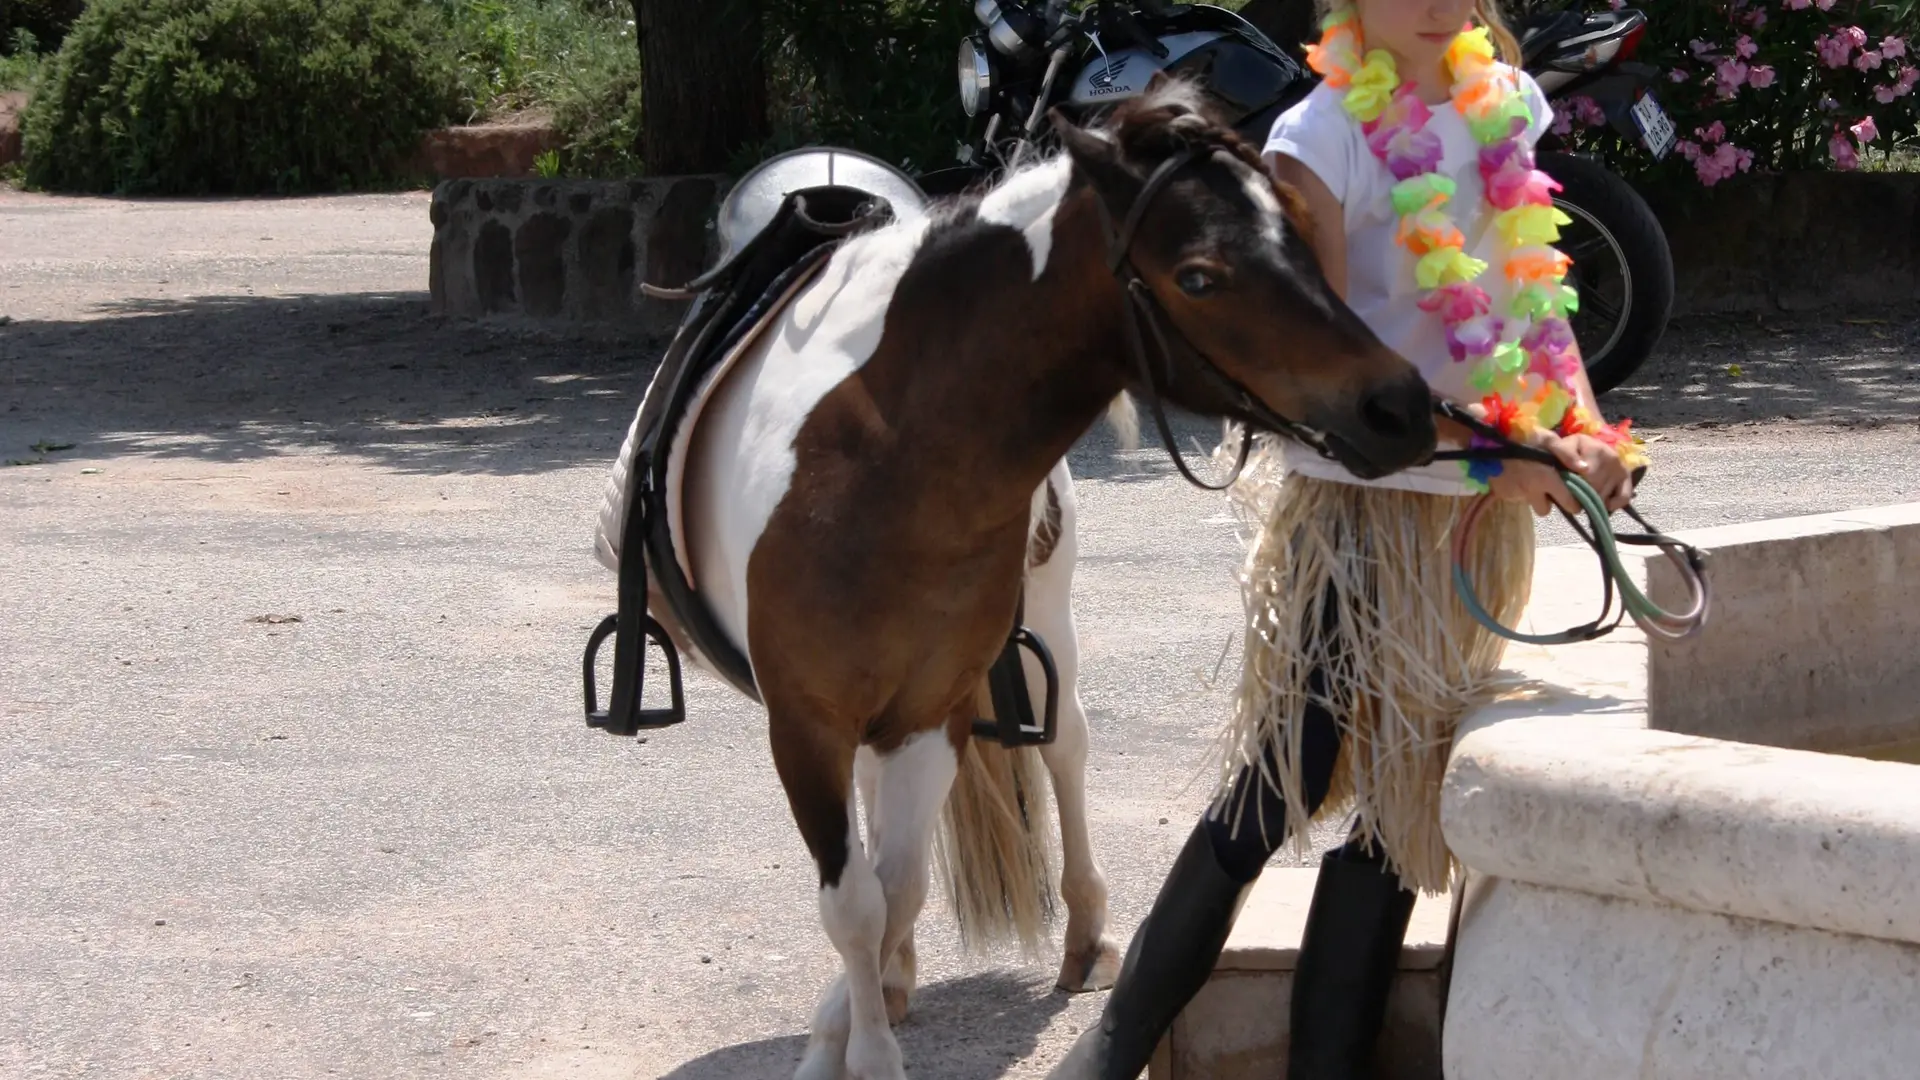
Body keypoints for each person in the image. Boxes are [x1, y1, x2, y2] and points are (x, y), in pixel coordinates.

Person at [1048, 1, 1645, 1078]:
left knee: (1404, 804)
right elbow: (1316, 367)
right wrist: (1495, 456)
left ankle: (1331, 1064)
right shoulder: (1320, 138)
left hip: (1471, 517)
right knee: (1288, 772)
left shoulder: (1507, 102)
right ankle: (1119, 1042)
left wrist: (1586, 433)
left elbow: (1536, 303)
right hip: (1360, 508)